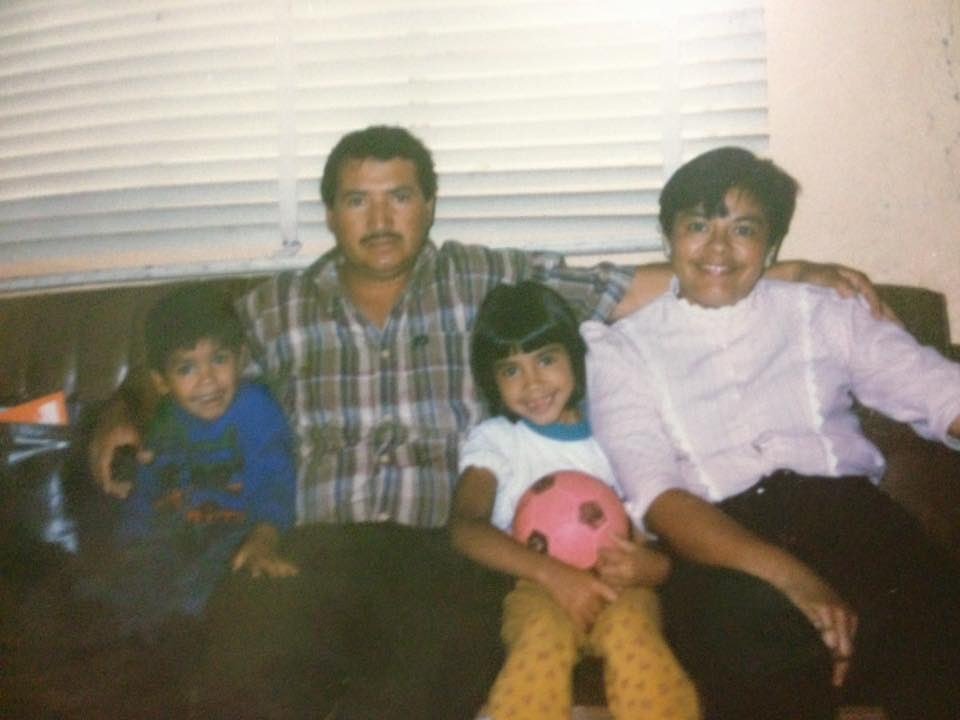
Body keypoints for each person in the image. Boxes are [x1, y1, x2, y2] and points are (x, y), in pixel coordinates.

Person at [87, 125, 887, 719]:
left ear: (427, 206)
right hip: (317, 547)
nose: (380, 217)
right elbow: (184, 365)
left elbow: (623, 287)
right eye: (357, 199)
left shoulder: (481, 275)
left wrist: (781, 270)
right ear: (330, 213)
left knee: (423, 690)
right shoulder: (275, 309)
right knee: (248, 679)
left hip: (446, 553)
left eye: (399, 195)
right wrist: (119, 411)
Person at [583, 146, 960, 719]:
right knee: (757, 651)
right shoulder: (622, 350)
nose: (717, 248)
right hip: (721, 544)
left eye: (743, 229)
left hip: (849, 520)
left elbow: (935, 389)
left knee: (938, 628)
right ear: (668, 238)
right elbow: (658, 496)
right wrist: (795, 581)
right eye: (697, 226)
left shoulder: (824, 310)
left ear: (772, 245)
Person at [450, 281, 700, 720]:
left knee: (634, 636)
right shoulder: (499, 441)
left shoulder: (614, 431)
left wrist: (653, 567)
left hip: (620, 582)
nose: (532, 383)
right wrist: (553, 575)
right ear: (492, 381)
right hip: (536, 585)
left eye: (546, 359)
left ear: (574, 357)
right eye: (511, 370)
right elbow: (465, 528)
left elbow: (655, 534)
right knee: (540, 640)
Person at [79, 285, 298, 640]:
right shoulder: (161, 422)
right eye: (186, 368)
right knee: (108, 592)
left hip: (234, 531)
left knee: (203, 588)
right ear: (160, 382)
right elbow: (146, 492)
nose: (207, 379)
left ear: (240, 359)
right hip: (170, 538)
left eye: (219, 359)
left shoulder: (254, 406)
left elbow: (276, 477)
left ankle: (175, 637)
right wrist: (128, 545)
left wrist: (265, 535)